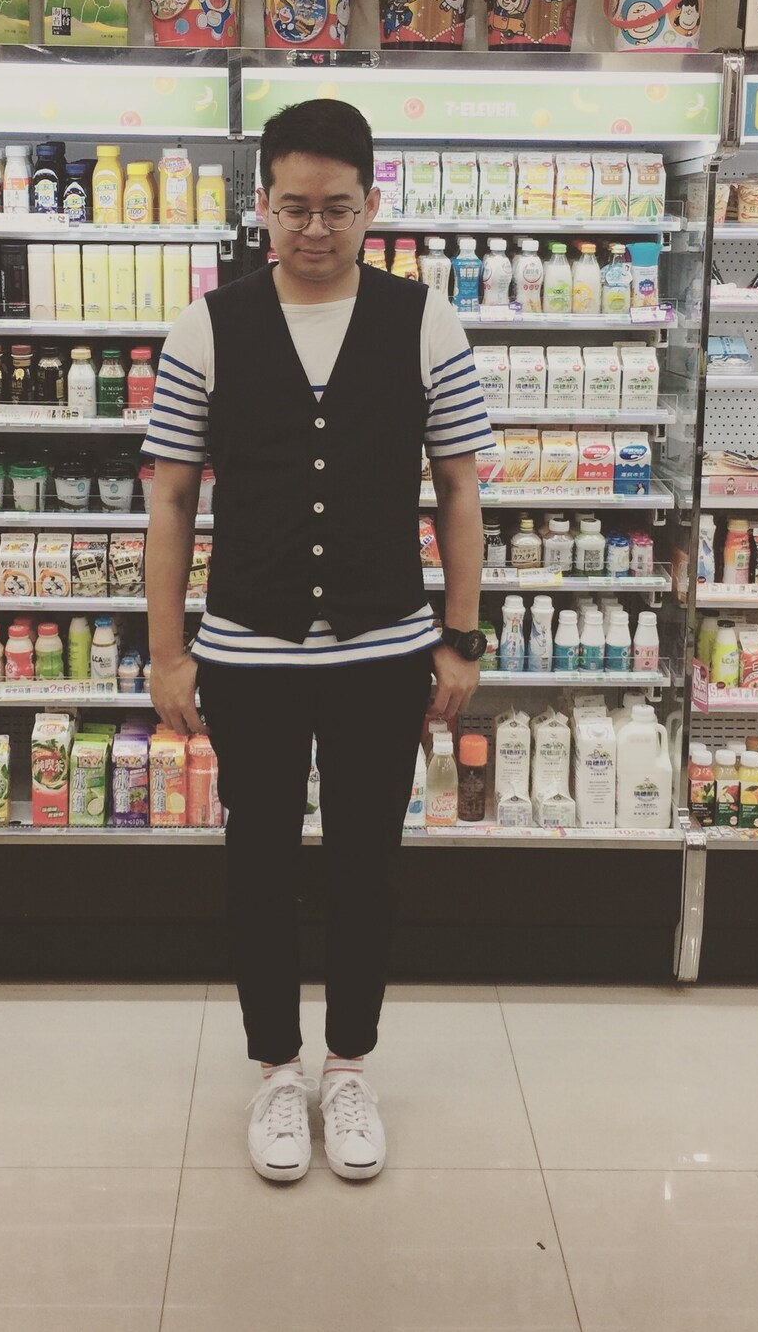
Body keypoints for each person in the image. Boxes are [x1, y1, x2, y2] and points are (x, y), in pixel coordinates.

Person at [144, 99, 489, 1183]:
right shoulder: (206, 327)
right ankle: (273, 1071)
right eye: (293, 206)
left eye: (337, 207)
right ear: (262, 205)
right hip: (247, 647)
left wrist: (462, 636)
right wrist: (167, 651)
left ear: (371, 205)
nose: (314, 227)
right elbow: (170, 499)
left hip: (384, 648)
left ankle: (348, 1067)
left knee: (366, 864)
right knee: (257, 864)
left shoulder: (424, 321)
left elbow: (461, 488)